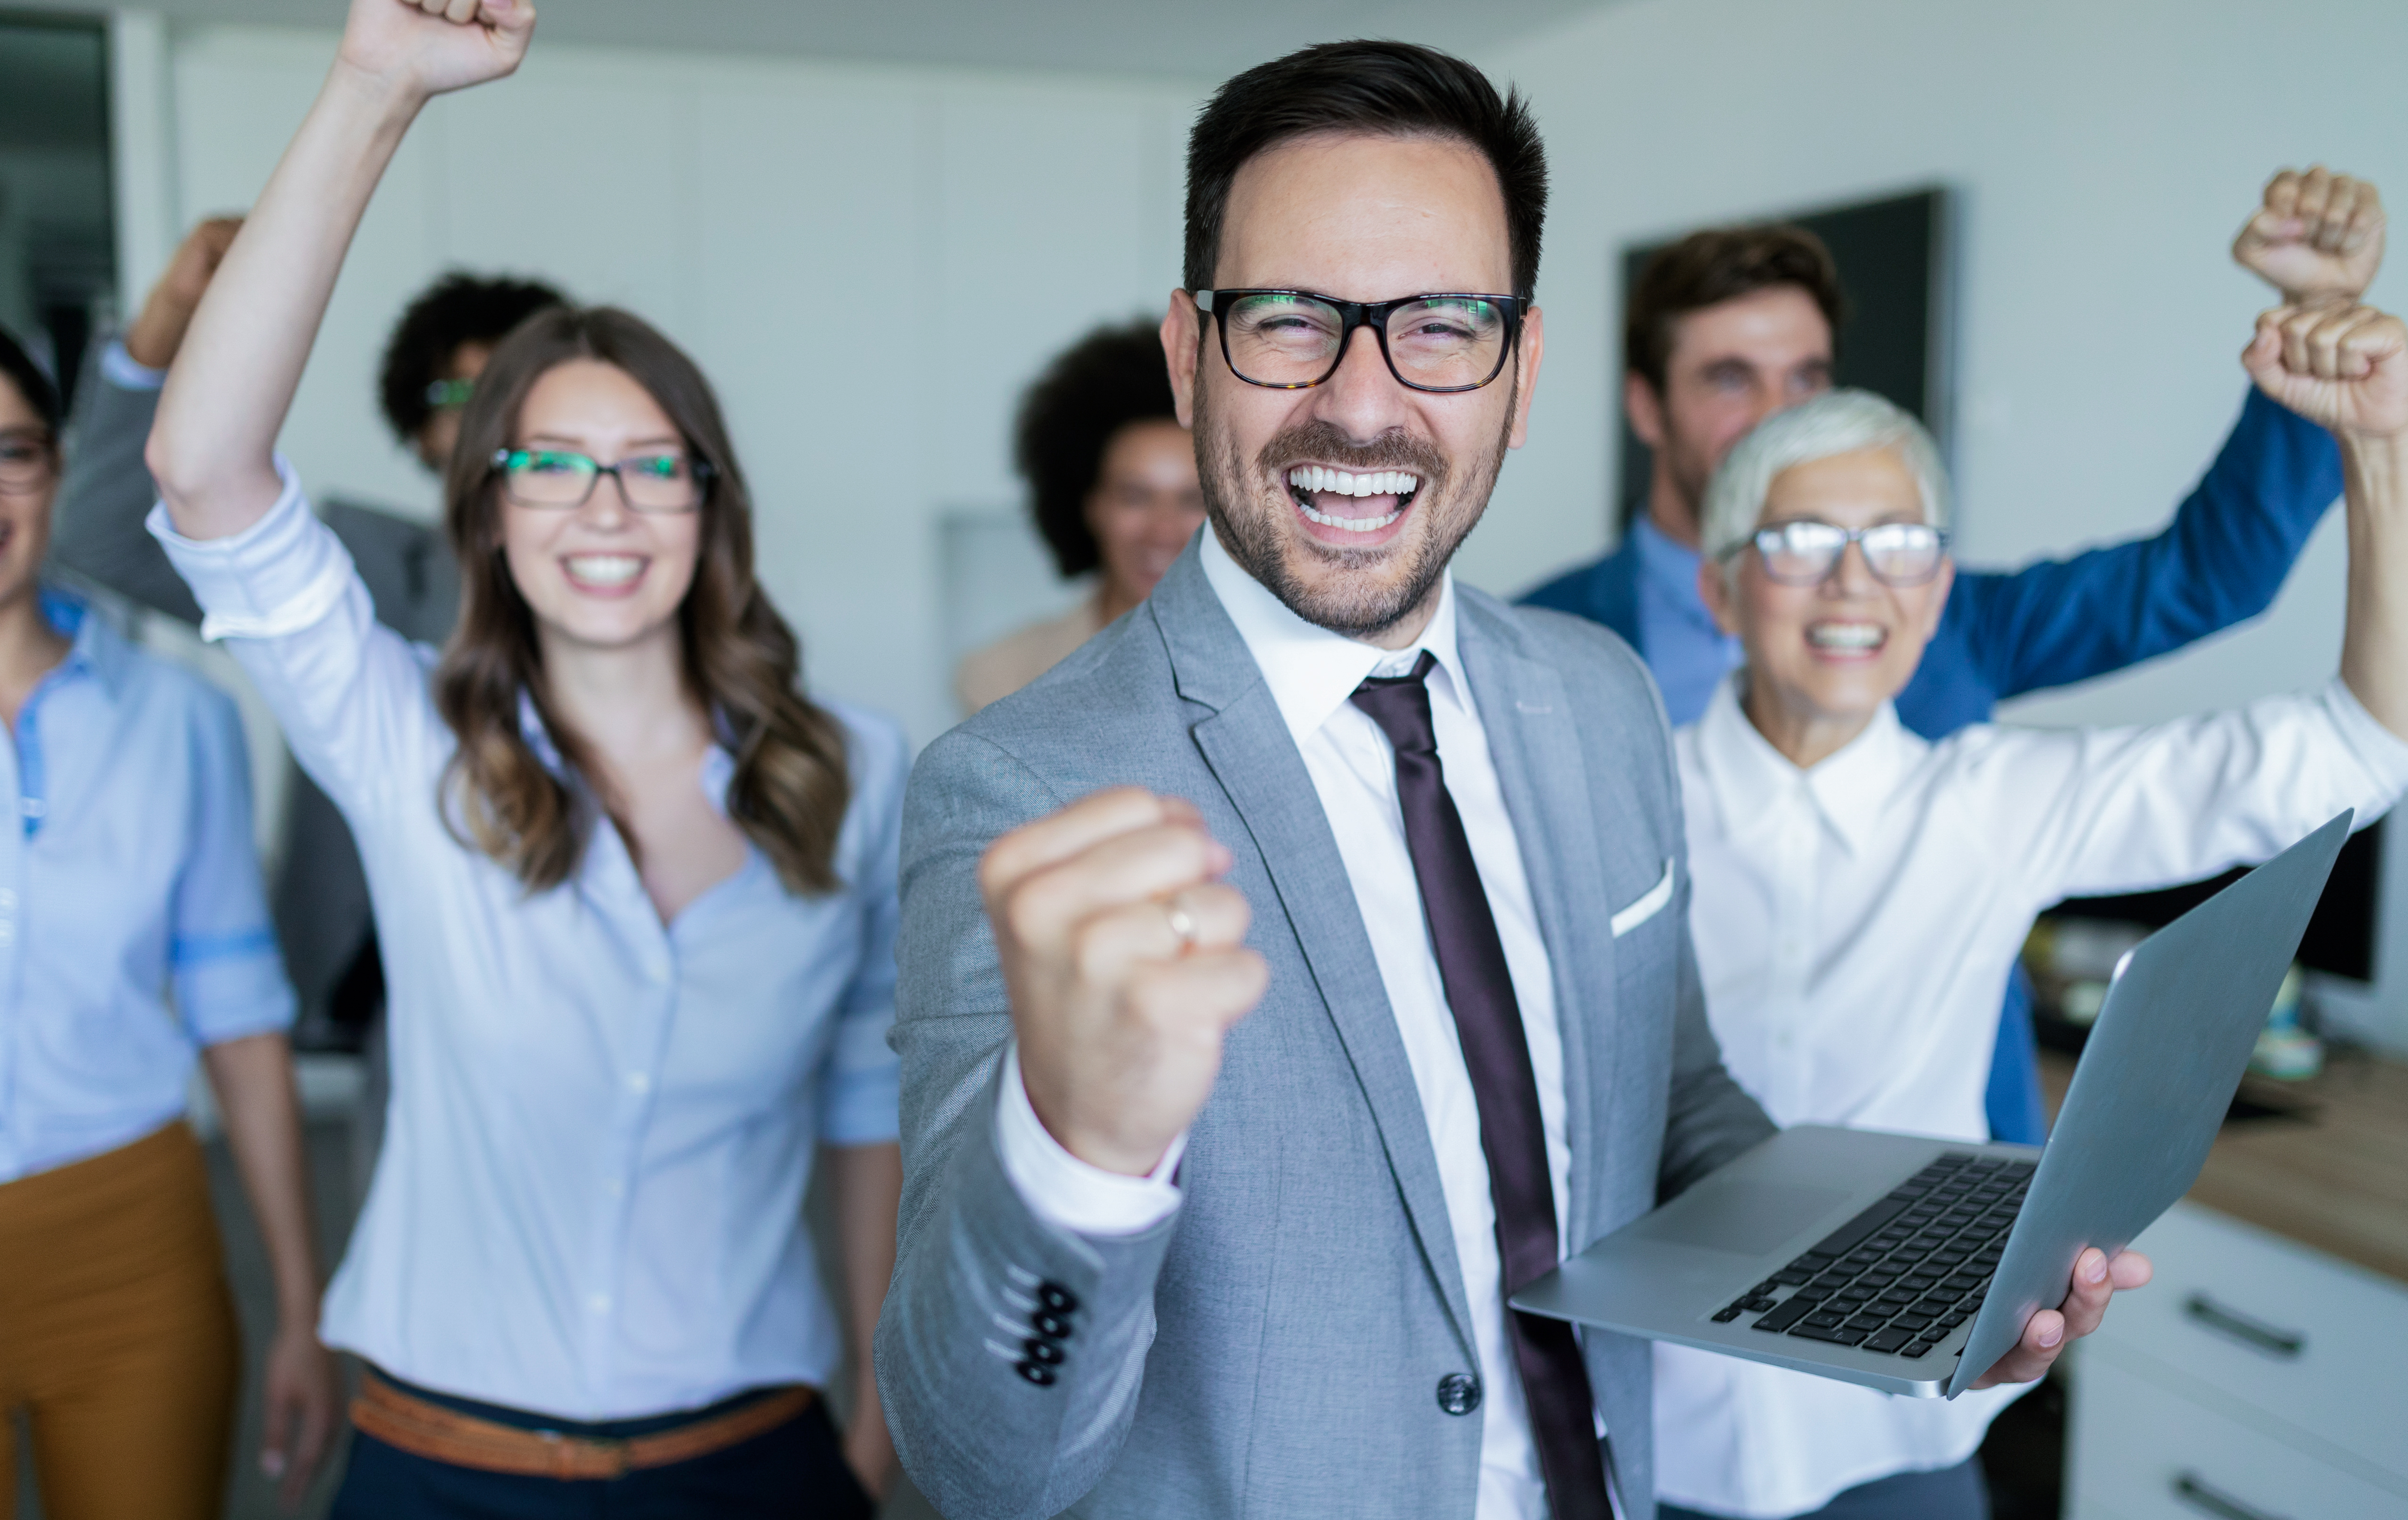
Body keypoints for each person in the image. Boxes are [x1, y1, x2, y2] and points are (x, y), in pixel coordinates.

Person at [874, 40, 2140, 1520]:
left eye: (1443, 325)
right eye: (1288, 320)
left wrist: (1909, 1288)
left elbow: (1670, 1104)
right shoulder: (1021, 786)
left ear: (1522, 371)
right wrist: (1079, 1158)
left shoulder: (1599, 698)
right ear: (1187, 351)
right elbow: (978, 1465)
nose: (1361, 403)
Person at [141, 1, 904, 1514]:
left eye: (649, 468)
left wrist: (877, 1397)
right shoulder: (403, 735)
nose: (603, 508)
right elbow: (203, 469)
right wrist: (377, 86)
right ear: (487, 512)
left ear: (710, 506)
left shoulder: (856, 771)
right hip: (443, 1467)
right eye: (549, 466)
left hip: (754, 1462)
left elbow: (864, 1103)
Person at [1657, 299, 2408, 1520]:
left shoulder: (1991, 799)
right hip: (1637, 1426)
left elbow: (2360, 749)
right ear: (1721, 585)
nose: (1856, 580)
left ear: (1940, 583)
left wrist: (2381, 452)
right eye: (1801, 538)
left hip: (1899, 1424)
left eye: (1899, 541)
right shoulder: (1614, 791)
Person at [1521, 168, 2385, 1146]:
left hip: (1928, 1189)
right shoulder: (1541, 646)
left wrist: (2320, 327)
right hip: (1656, 1181)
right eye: (1731, 378)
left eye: (1806, 378)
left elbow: (2205, 577)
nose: (1777, 414)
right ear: (1647, 407)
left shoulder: (1941, 611)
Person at [0, 312, 336, 1516]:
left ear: (56, 470)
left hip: (132, 1242)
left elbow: (239, 1020)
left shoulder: (178, 719)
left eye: (6, 450)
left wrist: (300, 1304)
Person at [52, 218, 569, 1049]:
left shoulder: (642, 569)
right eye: (458, 395)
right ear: (417, 428)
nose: (491, 422)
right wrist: (167, 322)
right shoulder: (350, 565)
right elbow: (103, 540)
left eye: (521, 392)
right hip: (408, 993)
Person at [956, 319, 1204, 712]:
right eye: (1135, 496)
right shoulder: (1003, 676)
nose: (1163, 530)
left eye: (1193, 500)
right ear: (1087, 503)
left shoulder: (1282, 668)